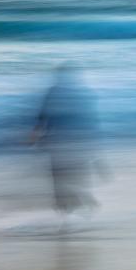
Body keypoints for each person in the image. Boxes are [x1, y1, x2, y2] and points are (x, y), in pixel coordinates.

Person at [30, 63, 106, 215]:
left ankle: (66, 208)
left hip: (56, 142)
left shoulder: (52, 92)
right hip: (78, 141)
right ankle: (80, 201)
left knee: (58, 176)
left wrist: (35, 138)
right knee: (76, 175)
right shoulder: (84, 93)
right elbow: (90, 121)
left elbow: (42, 118)